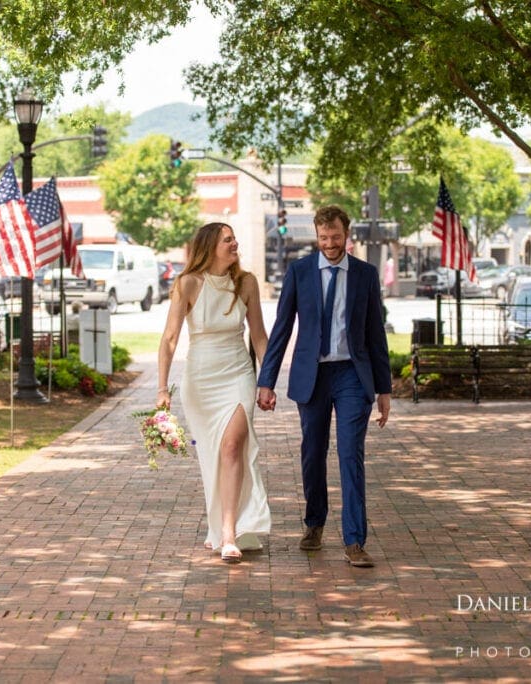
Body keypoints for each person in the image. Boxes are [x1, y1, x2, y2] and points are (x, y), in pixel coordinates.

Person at [257, 205, 391, 568]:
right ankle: (314, 523)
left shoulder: (365, 274)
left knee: (351, 456)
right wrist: (266, 381)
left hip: (351, 376)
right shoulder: (300, 272)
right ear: (316, 237)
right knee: (313, 454)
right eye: (323, 238)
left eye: (335, 237)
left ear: (347, 235)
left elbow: (375, 334)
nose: (329, 244)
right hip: (312, 377)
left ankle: (354, 541)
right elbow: (282, 328)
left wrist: (384, 390)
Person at [157, 222, 272, 563]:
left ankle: (229, 533)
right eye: (227, 239)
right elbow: (170, 338)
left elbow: (259, 337)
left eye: (235, 237)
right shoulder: (188, 283)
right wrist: (162, 388)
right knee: (212, 455)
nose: (235, 243)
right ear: (210, 246)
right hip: (201, 378)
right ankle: (218, 527)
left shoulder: (246, 282)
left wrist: (266, 380)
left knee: (233, 446)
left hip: (237, 372)